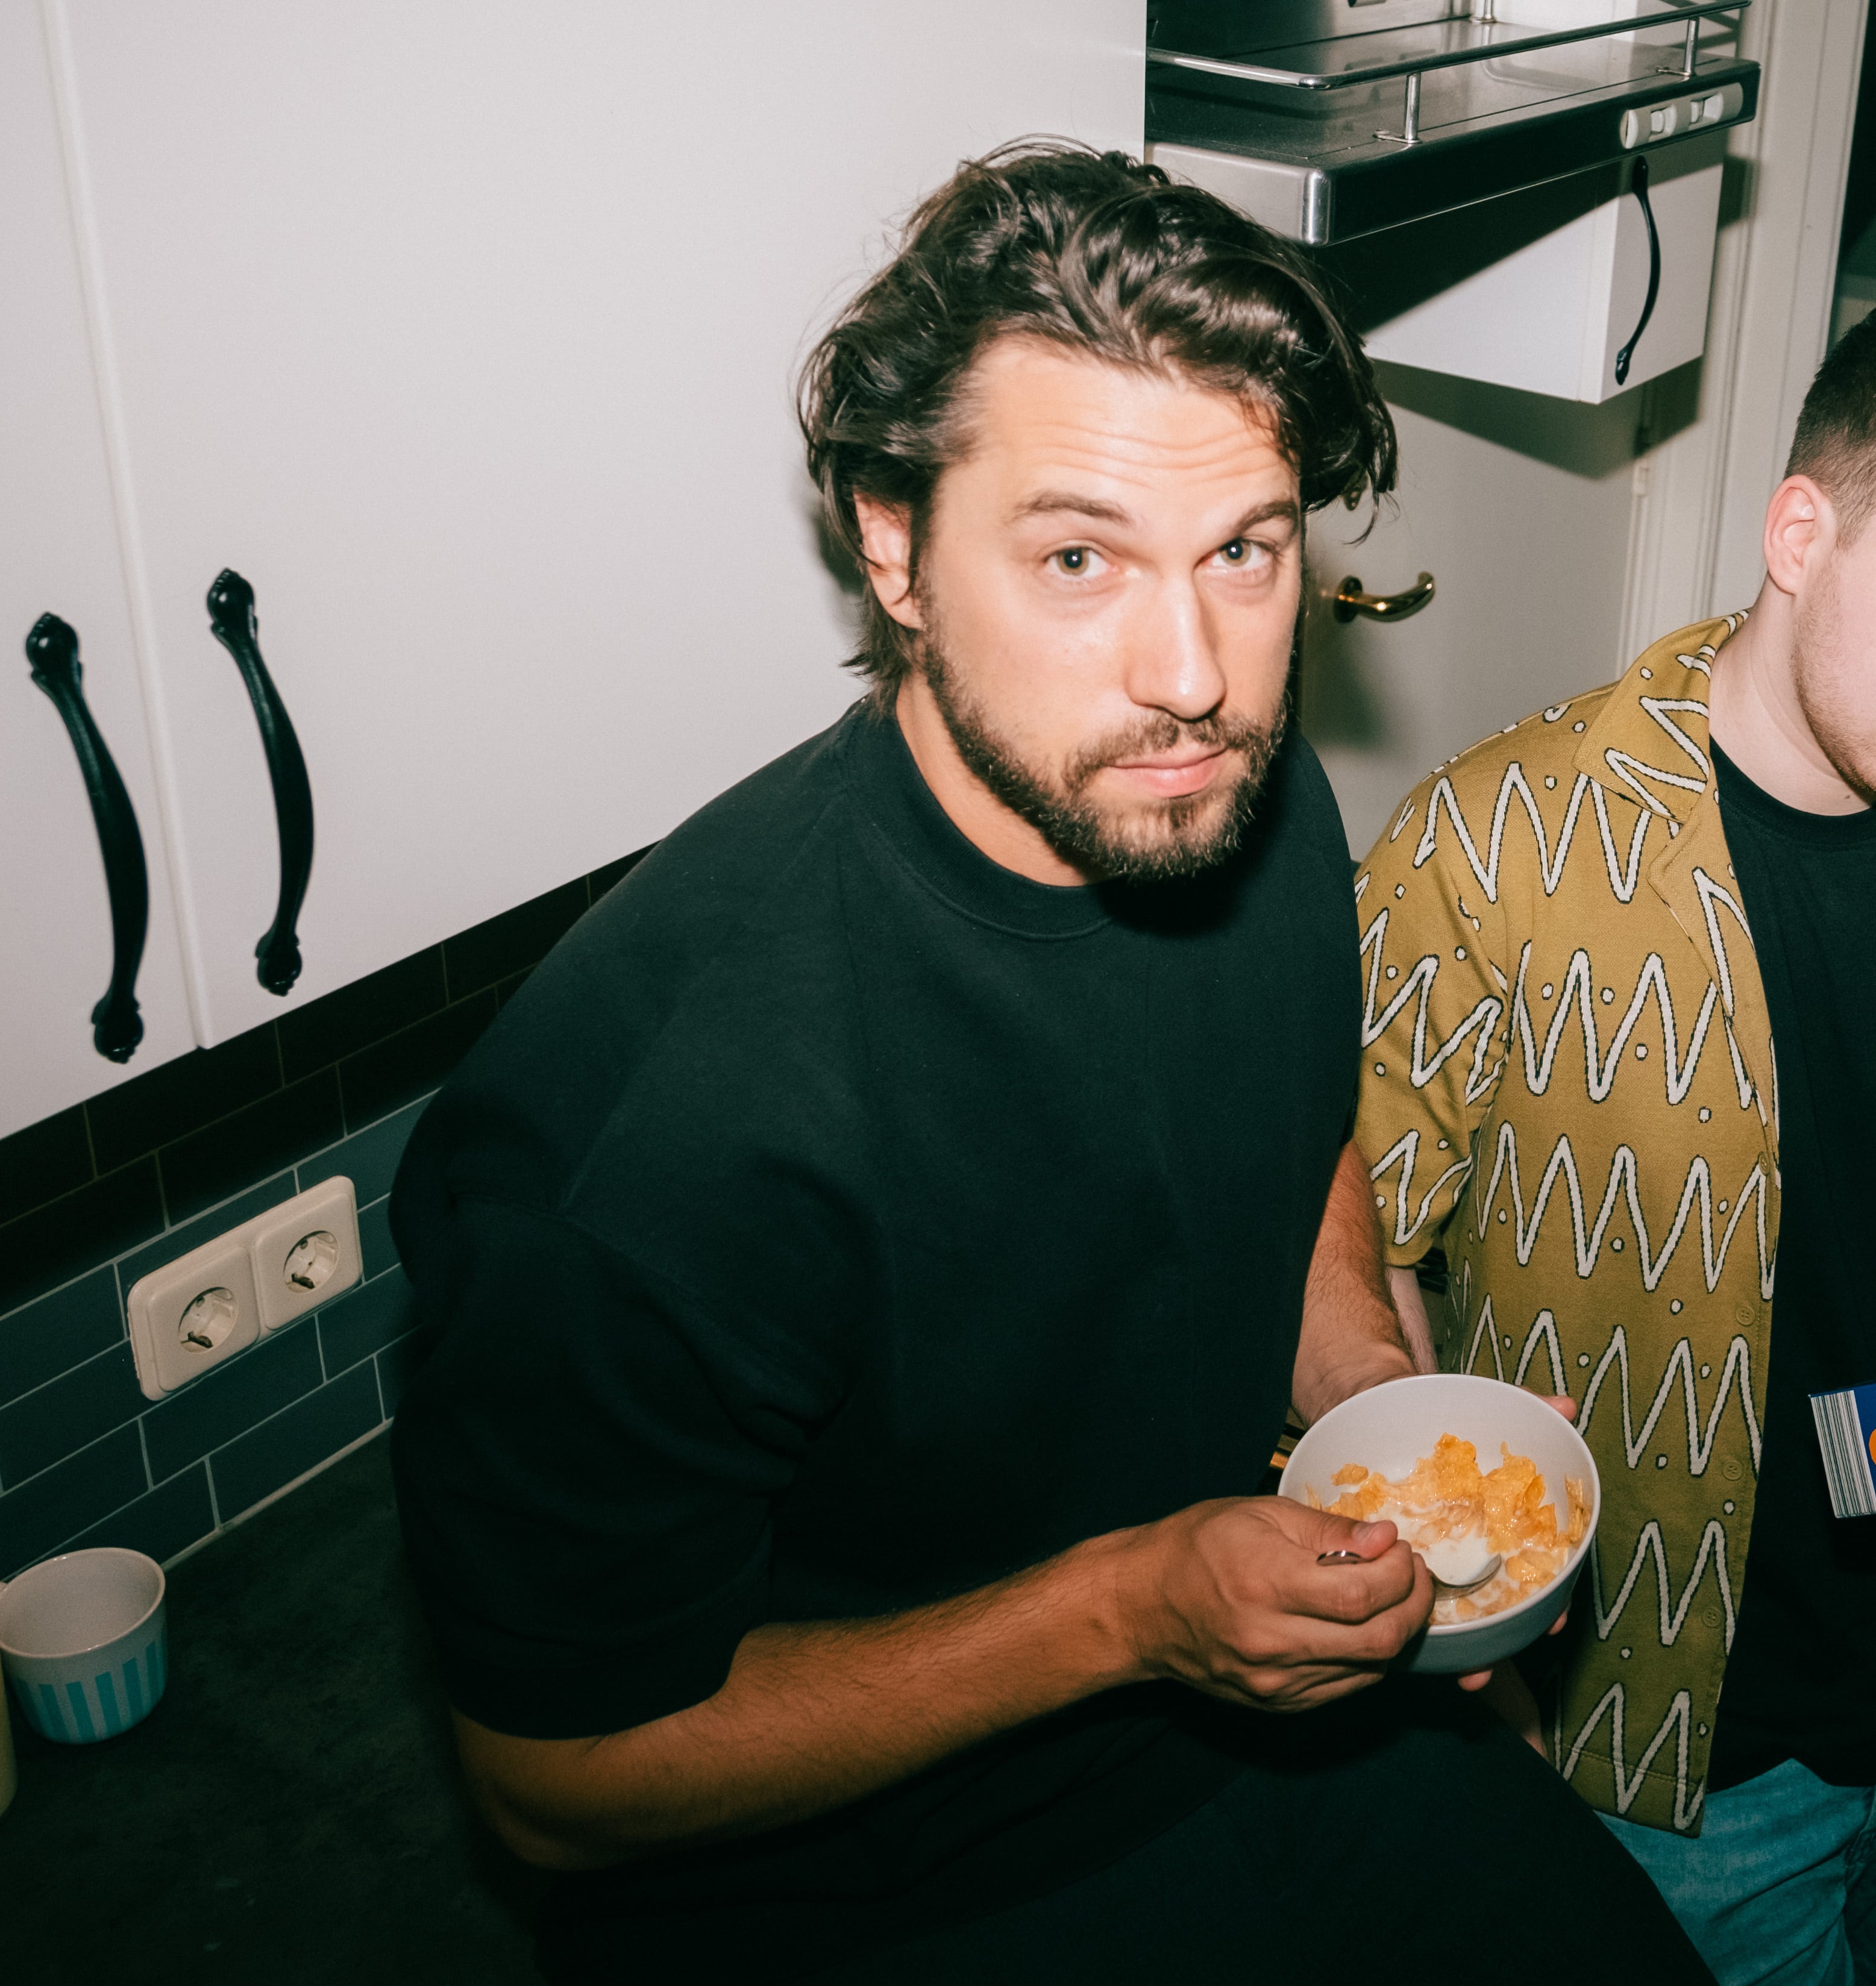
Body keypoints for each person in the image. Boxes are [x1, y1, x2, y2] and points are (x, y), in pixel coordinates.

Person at [386, 143, 1708, 1985]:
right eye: (1080, 555)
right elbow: (555, 1778)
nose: (1195, 673)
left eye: (1244, 550)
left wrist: (1367, 1416)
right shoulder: (650, 1141)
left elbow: (1301, 1116)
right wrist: (1130, 1612)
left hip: (1255, 1737)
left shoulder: (1257, 815)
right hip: (876, 1883)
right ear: (893, 543)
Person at [1344, 268, 1876, 1982]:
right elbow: (1351, 1239)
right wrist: (1465, 1642)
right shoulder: (1492, 850)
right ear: (1800, 532)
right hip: (1669, 1749)